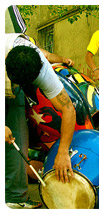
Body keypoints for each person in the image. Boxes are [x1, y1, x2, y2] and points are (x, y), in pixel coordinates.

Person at [5, 34, 76, 209]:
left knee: (15, 138)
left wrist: (63, 153)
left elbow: (68, 109)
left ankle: (15, 198)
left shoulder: (42, 68)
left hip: (15, 87)